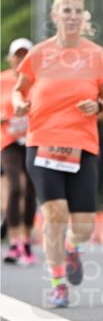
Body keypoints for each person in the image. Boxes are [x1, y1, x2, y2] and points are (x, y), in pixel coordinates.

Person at [12, 0, 103, 308]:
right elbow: (19, 89)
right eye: (65, 10)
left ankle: (73, 246)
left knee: (83, 226)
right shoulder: (40, 54)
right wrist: (19, 104)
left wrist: (97, 105)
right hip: (42, 142)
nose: (71, 16)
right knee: (54, 214)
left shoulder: (95, 54)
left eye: (77, 11)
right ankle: (58, 283)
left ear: (83, 17)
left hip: (82, 145)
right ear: (55, 16)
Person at [1, 38, 37, 264]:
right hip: (9, 140)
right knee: (15, 187)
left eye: (26, 55)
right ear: (11, 58)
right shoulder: (2, 80)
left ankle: (26, 241)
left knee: (32, 190)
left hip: (34, 139)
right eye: (18, 55)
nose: (21, 59)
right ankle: (14, 242)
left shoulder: (38, 81)